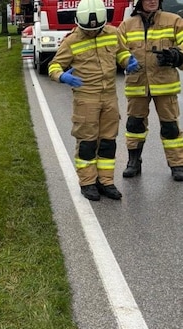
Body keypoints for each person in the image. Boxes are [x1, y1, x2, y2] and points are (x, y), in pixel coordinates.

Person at [48, 0, 137, 201]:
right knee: (87, 142)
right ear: (78, 22)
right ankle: (88, 182)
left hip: (109, 97)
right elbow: (54, 66)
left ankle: (106, 181)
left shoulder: (113, 33)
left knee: (108, 141)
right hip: (86, 97)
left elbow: (121, 52)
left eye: (96, 29)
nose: (92, 32)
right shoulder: (71, 41)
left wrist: (127, 62)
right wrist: (62, 76)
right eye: (88, 30)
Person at [117, 0, 183, 180]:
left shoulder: (174, 20)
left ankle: (177, 164)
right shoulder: (126, 26)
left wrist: (177, 55)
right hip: (137, 84)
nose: (152, 1)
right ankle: (133, 162)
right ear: (139, 2)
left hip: (165, 85)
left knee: (170, 127)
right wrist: (125, 61)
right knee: (134, 126)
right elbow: (117, 50)